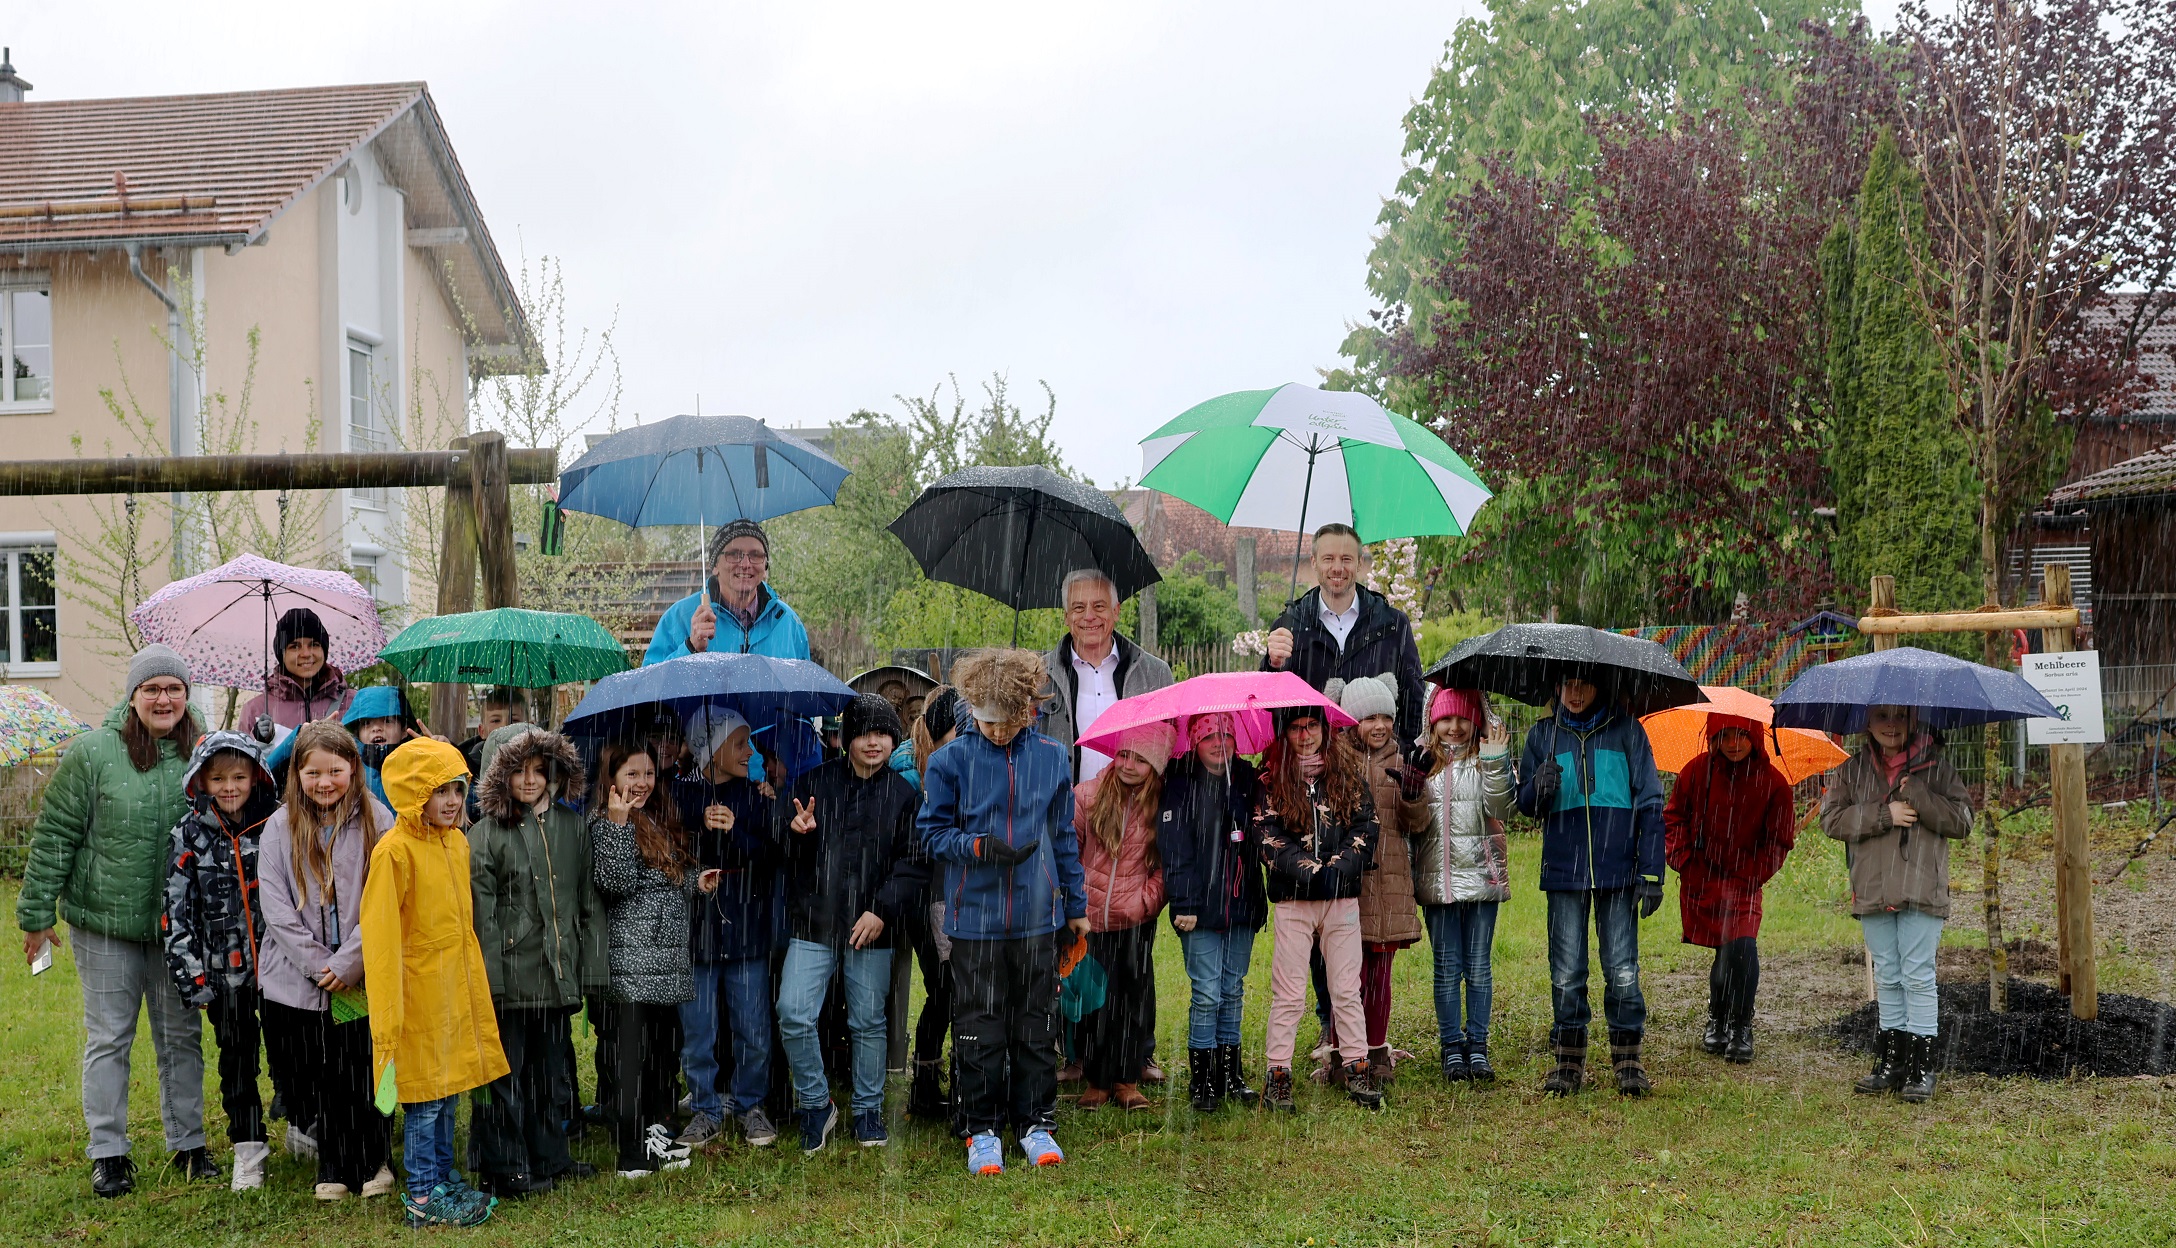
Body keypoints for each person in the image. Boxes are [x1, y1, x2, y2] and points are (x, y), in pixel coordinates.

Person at [18, 644, 216, 1197]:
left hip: (178, 928)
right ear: (132, 696)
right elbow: (56, 835)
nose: (163, 698)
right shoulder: (94, 753)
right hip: (104, 925)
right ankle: (109, 1152)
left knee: (181, 1037)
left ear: (185, 695)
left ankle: (190, 1143)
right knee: (109, 1038)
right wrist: (35, 914)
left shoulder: (204, 754)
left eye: (173, 688)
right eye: (151, 688)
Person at [917, 648, 1087, 1177]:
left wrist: (1075, 907)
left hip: (1038, 919)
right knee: (979, 1027)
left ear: (1027, 710)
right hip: (976, 922)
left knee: (1035, 1026)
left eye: (1005, 720)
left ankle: (1036, 1122)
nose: (994, 731)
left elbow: (1063, 837)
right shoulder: (950, 762)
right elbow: (930, 834)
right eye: (985, 719)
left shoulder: (1053, 758)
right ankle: (981, 1127)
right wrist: (975, 847)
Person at [361, 738, 509, 1229]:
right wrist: (390, 1013)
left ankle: (442, 1178)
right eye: (437, 790)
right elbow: (381, 941)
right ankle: (422, 1194)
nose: (450, 800)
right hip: (417, 996)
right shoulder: (394, 853)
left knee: (448, 1092)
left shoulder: (456, 842)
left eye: (456, 788)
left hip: (452, 991)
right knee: (424, 1099)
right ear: (411, 793)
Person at [778, 694, 923, 1152]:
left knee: (867, 1021)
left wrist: (881, 909)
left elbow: (913, 863)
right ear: (845, 739)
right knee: (793, 1013)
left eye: (882, 733)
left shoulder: (904, 796)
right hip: (815, 922)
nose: (873, 742)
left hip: (871, 929)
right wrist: (795, 833)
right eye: (863, 732)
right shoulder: (815, 783)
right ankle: (817, 1104)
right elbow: (785, 855)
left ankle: (867, 1110)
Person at [257, 722, 395, 1201]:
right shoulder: (279, 827)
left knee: (364, 1068)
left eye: (335, 770)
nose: (324, 782)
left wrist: (352, 960)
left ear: (353, 769)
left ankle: (375, 1158)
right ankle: (333, 1163)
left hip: (362, 977)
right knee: (318, 1073)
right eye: (313, 772)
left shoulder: (380, 821)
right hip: (300, 981)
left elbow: (388, 897)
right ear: (297, 773)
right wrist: (321, 966)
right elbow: (275, 909)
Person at [468, 726, 608, 1196]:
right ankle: (504, 1166)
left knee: (551, 1073)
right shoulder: (486, 833)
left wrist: (588, 968)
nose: (529, 780)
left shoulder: (572, 825)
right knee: (504, 1075)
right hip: (507, 975)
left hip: (555, 974)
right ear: (498, 774)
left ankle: (550, 1155)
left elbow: (586, 898)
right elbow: (480, 914)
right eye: (517, 770)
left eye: (538, 769)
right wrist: (490, 979)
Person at [1517, 672, 1667, 1098]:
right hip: (1564, 873)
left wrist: (1651, 871)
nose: (1575, 692)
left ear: (1601, 684)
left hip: (1618, 873)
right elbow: (1525, 804)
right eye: (1566, 683)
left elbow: (1651, 801)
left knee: (1622, 970)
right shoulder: (1543, 735)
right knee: (1566, 974)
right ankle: (1568, 1062)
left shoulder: (1627, 732)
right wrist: (1536, 789)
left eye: (1584, 683)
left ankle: (1628, 1059)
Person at [1822, 704, 1973, 1103]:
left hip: (1922, 890)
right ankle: (1891, 1061)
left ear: (1915, 720)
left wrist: (1920, 796)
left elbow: (1962, 821)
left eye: (1900, 717)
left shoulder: (1937, 769)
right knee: (1888, 974)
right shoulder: (1851, 771)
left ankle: (1922, 1068)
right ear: (1867, 723)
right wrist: (1882, 814)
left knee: (1918, 974)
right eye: (1882, 717)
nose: (1891, 726)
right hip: (1872, 889)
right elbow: (1831, 820)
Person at [587, 739, 719, 1179]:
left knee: (662, 1057)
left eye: (647, 774)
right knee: (632, 1063)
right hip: (630, 965)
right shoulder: (604, 822)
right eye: (632, 774)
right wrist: (620, 826)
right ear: (612, 779)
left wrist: (696, 881)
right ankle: (630, 1152)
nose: (642, 783)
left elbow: (669, 880)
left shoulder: (660, 819)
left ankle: (656, 1136)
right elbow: (615, 884)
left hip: (666, 961)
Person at [160, 730, 282, 1191]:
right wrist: (194, 980)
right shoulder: (188, 837)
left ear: (255, 776)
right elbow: (175, 914)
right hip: (222, 977)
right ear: (201, 782)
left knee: (293, 1052)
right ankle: (248, 1147)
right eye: (218, 779)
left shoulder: (276, 826)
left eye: (239, 776)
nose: (230, 787)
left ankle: (302, 1121)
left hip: (278, 972)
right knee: (237, 1060)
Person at [1255, 707, 1382, 1111]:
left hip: (1341, 897)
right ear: (1285, 733)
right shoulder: (1271, 779)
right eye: (1296, 727)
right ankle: (1278, 1074)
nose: (1305, 735)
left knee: (1346, 987)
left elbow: (1367, 825)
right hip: (1294, 899)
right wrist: (1309, 871)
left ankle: (1356, 1065)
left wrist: (1340, 867)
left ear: (1324, 730)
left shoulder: (1345, 774)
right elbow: (1266, 833)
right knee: (1289, 991)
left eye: (1312, 726)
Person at [669, 707, 780, 1150]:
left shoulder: (755, 796)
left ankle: (752, 1103)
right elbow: (669, 851)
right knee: (698, 1027)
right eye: (740, 743)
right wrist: (700, 829)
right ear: (710, 751)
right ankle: (704, 1107)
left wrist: (735, 833)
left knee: (752, 1023)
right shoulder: (680, 795)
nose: (750, 750)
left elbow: (772, 854)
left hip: (745, 923)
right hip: (697, 926)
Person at [1664, 717, 1797, 1066]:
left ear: (1755, 737)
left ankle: (1741, 1026)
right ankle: (1718, 1017)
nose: (1734, 743)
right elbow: (1674, 817)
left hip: (1744, 882)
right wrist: (1685, 860)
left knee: (1742, 945)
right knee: (1723, 951)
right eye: (1725, 735)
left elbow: (1779, 839)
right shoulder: (1695, 773)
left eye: (1742, 734)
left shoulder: (1774, 784)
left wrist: (1753, 874)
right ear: (1714, 737)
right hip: (1702, 879)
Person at [1158, 713, 1265, 1112]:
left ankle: (1229, 1073)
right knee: (1206, 993)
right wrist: (1185, 903)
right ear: (1195, 741)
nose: (1220, 744)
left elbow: (1258, 836)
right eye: (1210, 737)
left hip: (1241, 902)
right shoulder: (1179, 780)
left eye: (1227, 736)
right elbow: (1173, 847)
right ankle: (1202, 1080)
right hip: (1199, 907)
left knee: (1233, 990)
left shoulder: (1248, 778)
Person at [1330, 674, 1430, 1084]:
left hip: (1387, 883)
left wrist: (1412, 793)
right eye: (1369, 717)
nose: (1379, 726)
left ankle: (1376, 1050)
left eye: (1386, 717)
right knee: (1344, 975)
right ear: (1352, 721)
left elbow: (1417, 824)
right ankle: (1341, 1054)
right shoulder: (1335, 761)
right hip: (1348, 884)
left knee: (1378, 977)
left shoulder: (1401, 761)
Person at [1414, 687, 1514, 1083]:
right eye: (1446, 719)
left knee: (1479, 967)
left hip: (1482, 879)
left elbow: (1503, 808)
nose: (1454, 727)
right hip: (1437, 882)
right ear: (1432, 722)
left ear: (1477, 721)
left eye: (1462, 718)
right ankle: (1451, 1047)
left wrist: (1494, 761)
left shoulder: (1486, 758)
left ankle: (1478, 1046)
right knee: (1445, 967)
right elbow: (1413, 822)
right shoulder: (1423, 764)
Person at [1071, 723, 1172, 1112]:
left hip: (1134, 919)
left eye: (1141, 759)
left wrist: (1144, 902)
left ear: (1156, 765)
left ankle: (1127, 1079)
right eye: (1125, 754)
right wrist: (1077, 901)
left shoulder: (1163, 806)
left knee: (1133, 997)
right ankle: (1096, 1080)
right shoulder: (1088, 795)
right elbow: (1070, 851)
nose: (1129, 765)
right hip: (1090, 919)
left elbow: (1167, 865)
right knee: (1095, 998)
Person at [1261, 524, 1426, 760]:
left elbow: (1413, 697)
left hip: (1375, 769)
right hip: (1310, 769)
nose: (1337, 568)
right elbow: (1270, 705)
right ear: (1314, 561)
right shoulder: (1288, 626)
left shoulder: (1392, 624)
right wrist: (1272, 665)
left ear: (1359, 562)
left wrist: (1402, 757)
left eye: (1346, 559)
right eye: (1328, 558)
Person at [890, 686, 964, 1121]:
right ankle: (928, 1082)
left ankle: (929, 1082)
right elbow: (918, 841)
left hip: (942, 892)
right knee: (946, 991)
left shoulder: (935, 760)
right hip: (924, 895)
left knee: (945, 991)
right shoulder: (912, 770)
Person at [1041, 569, 1173, 785]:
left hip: (1134, 811)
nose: (1089, 616)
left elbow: (1170, 747)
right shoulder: (1039, 676)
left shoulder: (1155, 674)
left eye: (1099, 606)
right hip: (1060, 813)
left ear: (1116, 611)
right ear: (1066, 617)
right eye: (1078, 608)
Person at [643, 519, 812, 664]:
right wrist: (690, 648)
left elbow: (806, 692)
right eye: (734, 554)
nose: (746, 564)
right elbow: (650, 690)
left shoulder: (787, 622)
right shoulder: (678, 618)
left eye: (756, 555)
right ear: (715, 566)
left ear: (765, 567)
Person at [240, 607, 356, 739]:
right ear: (281, 654)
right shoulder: (256, 709)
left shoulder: (352, 702)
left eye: (314, 644)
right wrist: (259, 741)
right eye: (294, 646)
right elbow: (242, 759)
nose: (306, 654)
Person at [457, 688, 530, 778]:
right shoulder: (466, 769)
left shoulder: (543, 763)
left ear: (530, 727)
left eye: (514, 720)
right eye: (496, 721)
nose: (504, 727)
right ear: (482, 731)